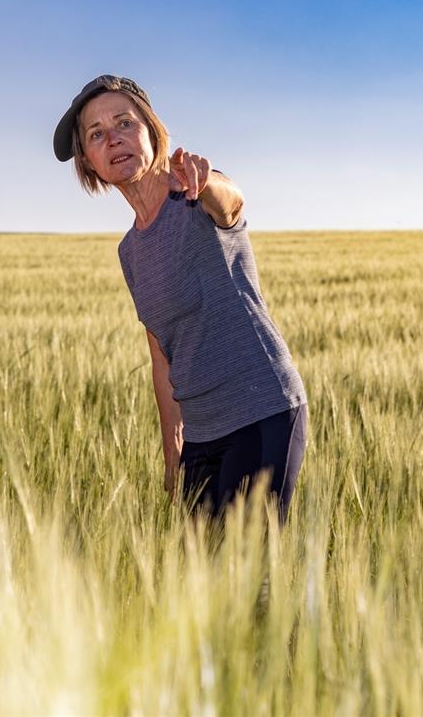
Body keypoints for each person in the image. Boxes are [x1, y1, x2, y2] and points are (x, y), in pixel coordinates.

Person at [54, 75, 308, 521]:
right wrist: (173, 449)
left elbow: (231, 203)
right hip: (202, 436)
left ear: (152, 131)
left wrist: (204, 181)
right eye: (96, 134)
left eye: (124, 123)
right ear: (89, 162)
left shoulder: (193, 195)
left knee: (248, 581)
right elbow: (161, 356)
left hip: (260, 411)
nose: (113, 139)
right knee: (199, 583)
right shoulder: (130, 252)